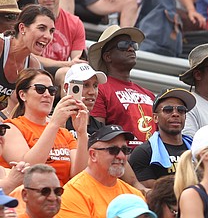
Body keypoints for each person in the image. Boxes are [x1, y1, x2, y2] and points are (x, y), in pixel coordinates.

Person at [62, 63, 149, 194]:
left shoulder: (102, 130)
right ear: (68, 88)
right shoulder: (55, 123)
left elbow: (133, 182)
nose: (92, 92)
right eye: (85, 85)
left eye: (95, 86)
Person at [0, 68, 89, 186]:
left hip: (61, 197)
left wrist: (82, 132)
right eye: (40, 89)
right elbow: (28, 171)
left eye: (52, 90)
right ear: (22, 95)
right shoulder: (11, 128)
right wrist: (54, 124)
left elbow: (78, 175)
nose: (47, 95)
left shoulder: (63, 133)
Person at [88, 25, 157, 148]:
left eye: (133, 45)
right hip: (122, 159)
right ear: (107, 57)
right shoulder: (99, 89)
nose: (131, 49)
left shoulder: (149, 94)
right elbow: (97, 136)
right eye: (123, 45)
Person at [57, 124, 145, 218]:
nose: (121, 156)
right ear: (93, 155)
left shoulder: (134, 195)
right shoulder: (74, 193)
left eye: (125, 150)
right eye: (113, 150)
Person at [129, 88, 196, 188]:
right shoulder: (144, 153)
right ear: (155, 118)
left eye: (181, 110)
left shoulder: (198, 149)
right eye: (168, 110)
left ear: (185, 116)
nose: (175, 114)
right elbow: (154, 193)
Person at [0, 4, 55, 111]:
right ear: (22, 28)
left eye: (51, 31)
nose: (48, 36)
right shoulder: (1, 46)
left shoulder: (33, 65)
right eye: (41, 28)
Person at [33, 0, 86, 78]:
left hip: (60, 76)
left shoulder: (75, 23)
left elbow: (77, 61)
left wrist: (69, 65)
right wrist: (66, 64)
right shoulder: (27, 19)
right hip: (31, 72)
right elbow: (28, 57)